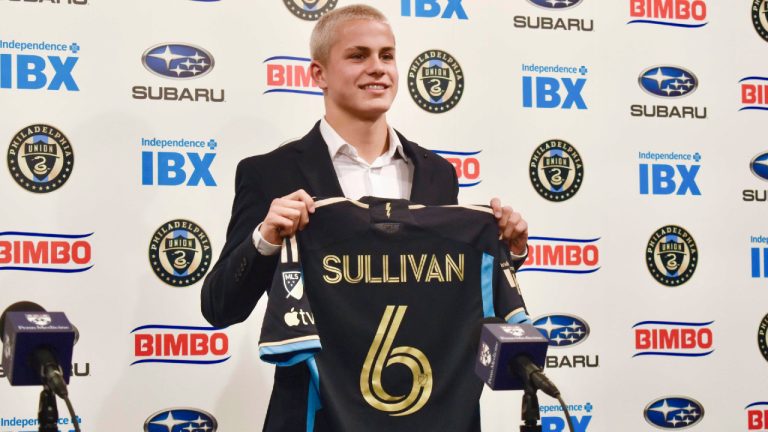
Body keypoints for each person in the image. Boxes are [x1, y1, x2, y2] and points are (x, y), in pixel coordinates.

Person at [200, 4, 529, 430]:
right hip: (317, 416)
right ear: (317, 74)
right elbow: (219, 307)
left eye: (387, 55)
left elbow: (448, 291)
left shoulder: (437, 174)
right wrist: (265, 239)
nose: (378, 68)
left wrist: (506, 251)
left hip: (428, 411)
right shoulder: (269, 173)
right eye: (358, 56)